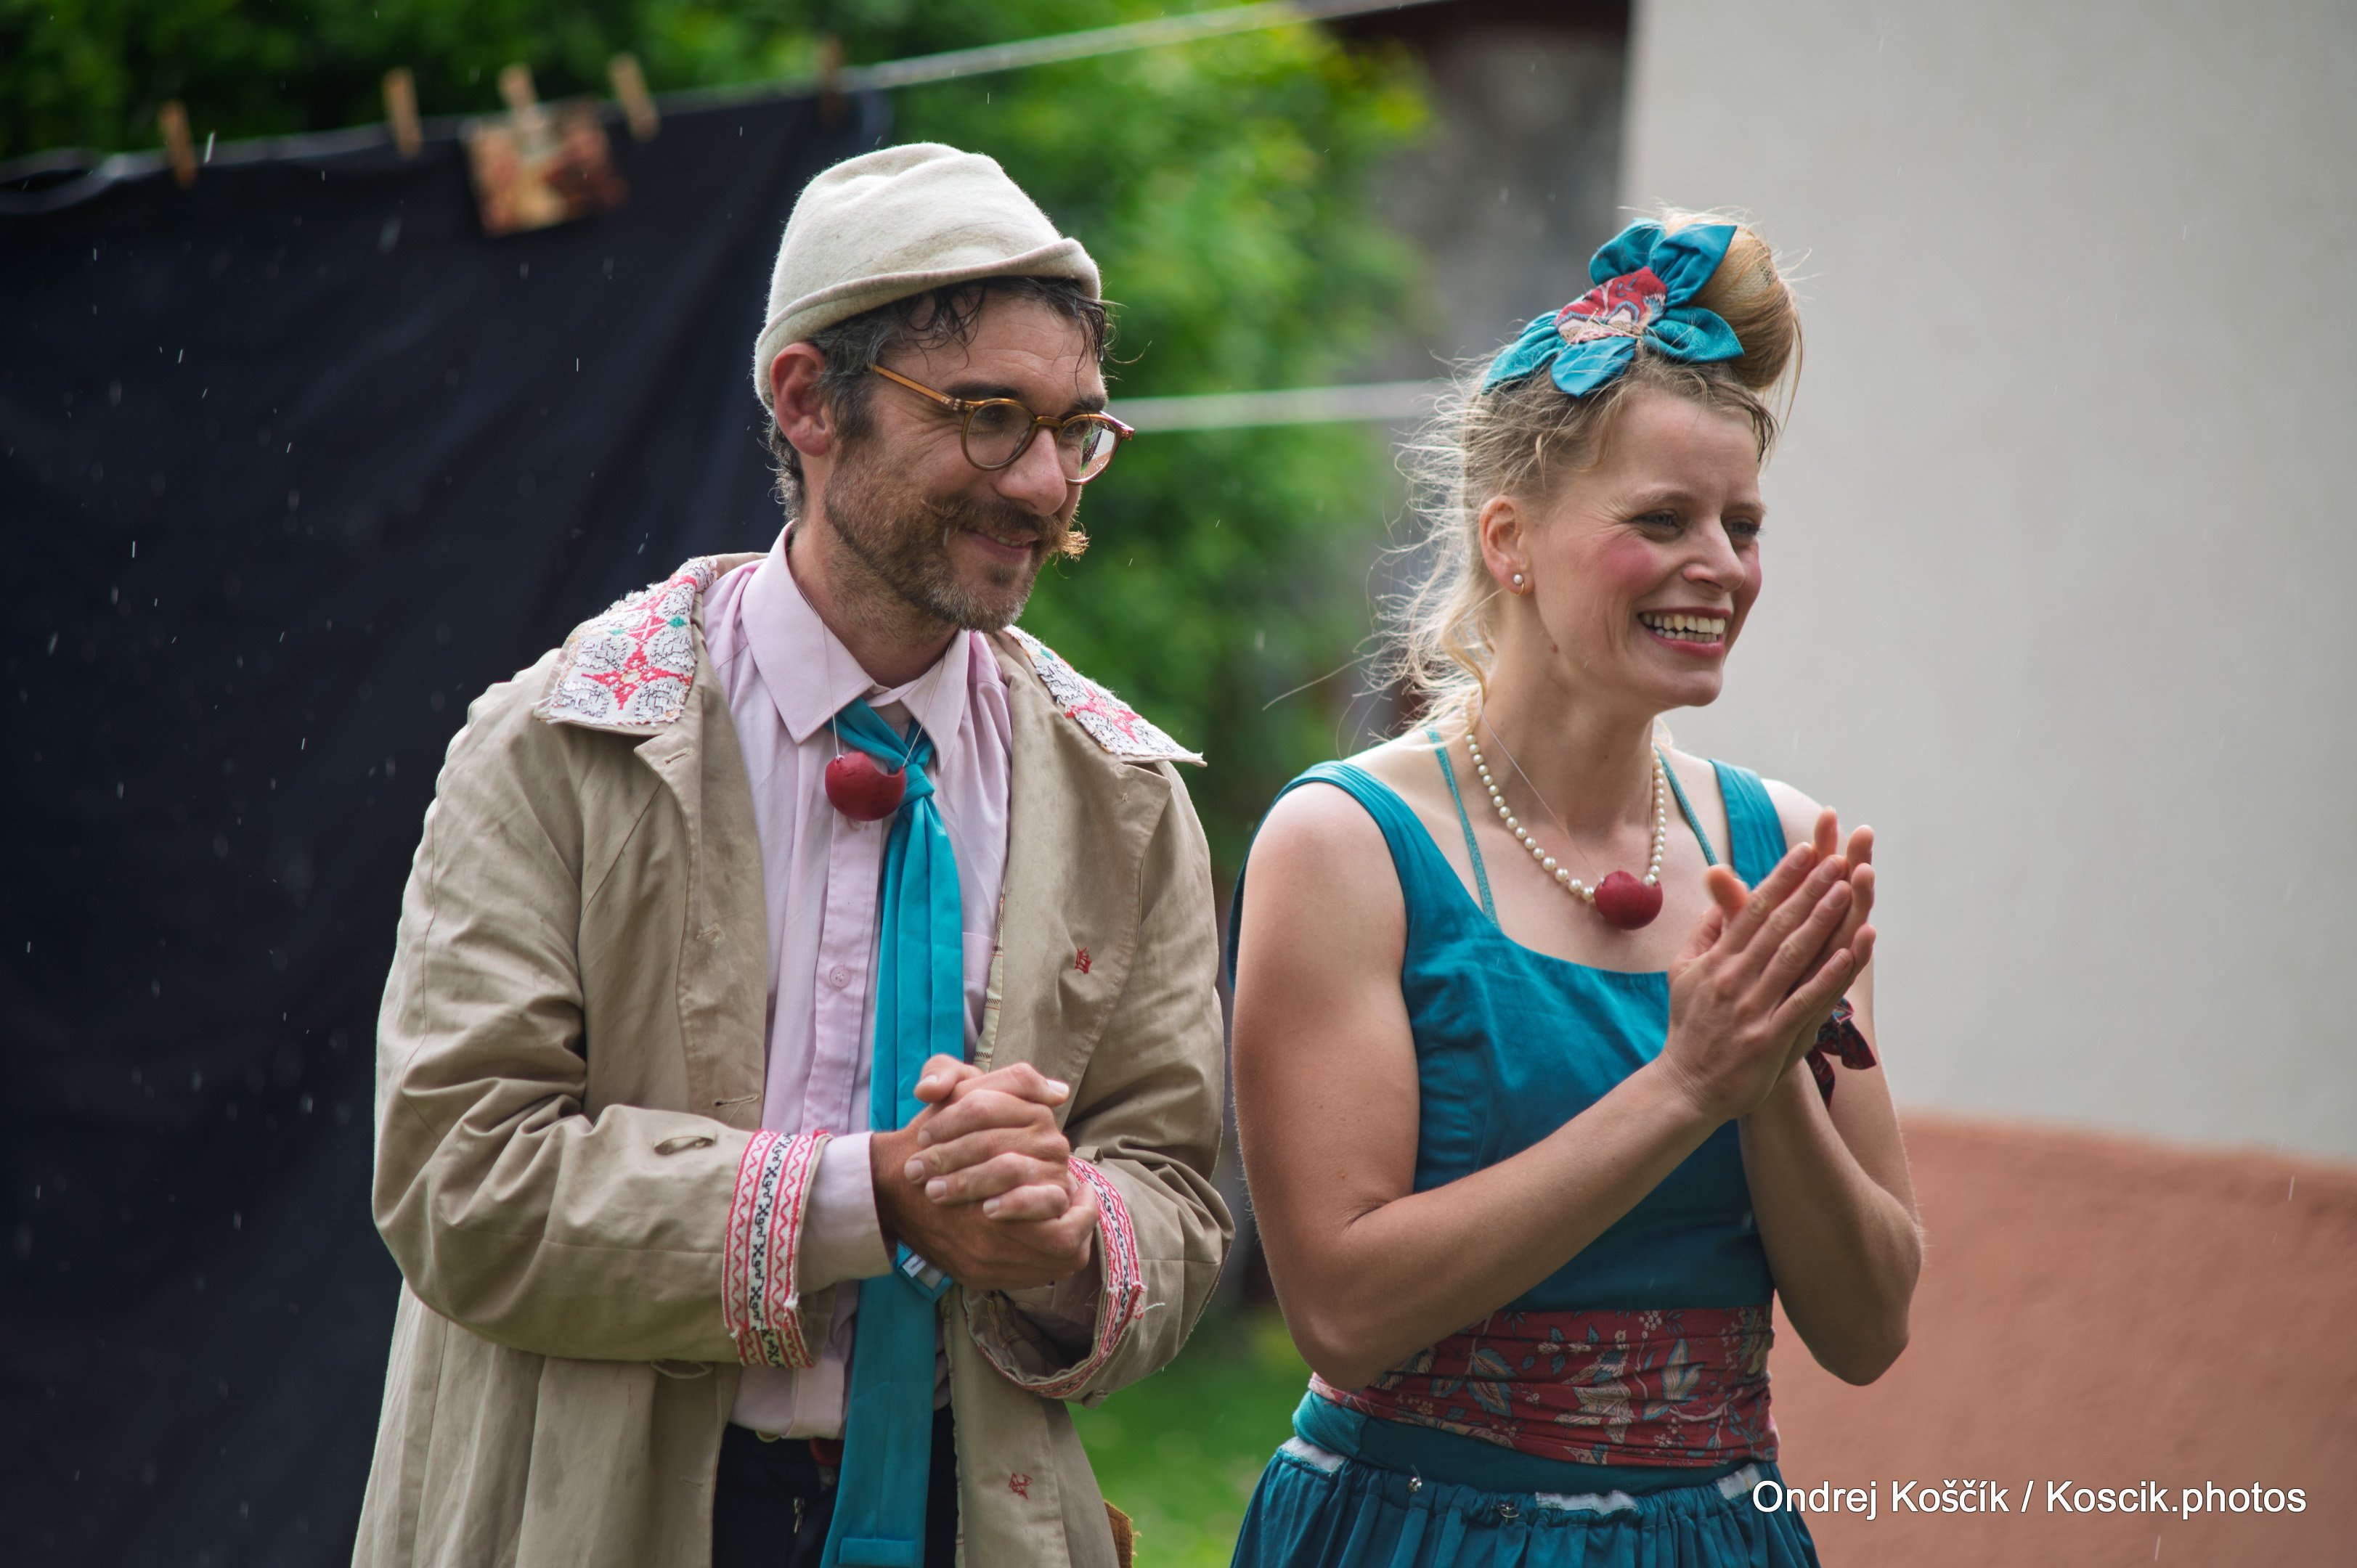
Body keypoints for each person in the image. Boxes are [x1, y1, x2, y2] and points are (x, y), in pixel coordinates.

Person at [353, 144, 1232, 1568]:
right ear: (808, 400)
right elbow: (460, 1186)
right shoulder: (558, 745)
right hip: (603, 1517)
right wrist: (868, 1196)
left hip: (975, 1518)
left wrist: (1063, 1240)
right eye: (988, 415)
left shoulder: (1123, 794)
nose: (1045, 484)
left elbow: (1175, 1197)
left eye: (1079, 428)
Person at [1225, 215, 1919, 1567]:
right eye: (1660, 519)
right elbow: (1347, 1312)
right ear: (1510, 541)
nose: (1718, 564)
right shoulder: (1346, 843)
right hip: (1417, 1534)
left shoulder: (1781, 847)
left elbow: (1869, 1328)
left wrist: (1768, 1068)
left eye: (1741, 523)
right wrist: (1687, 1083)